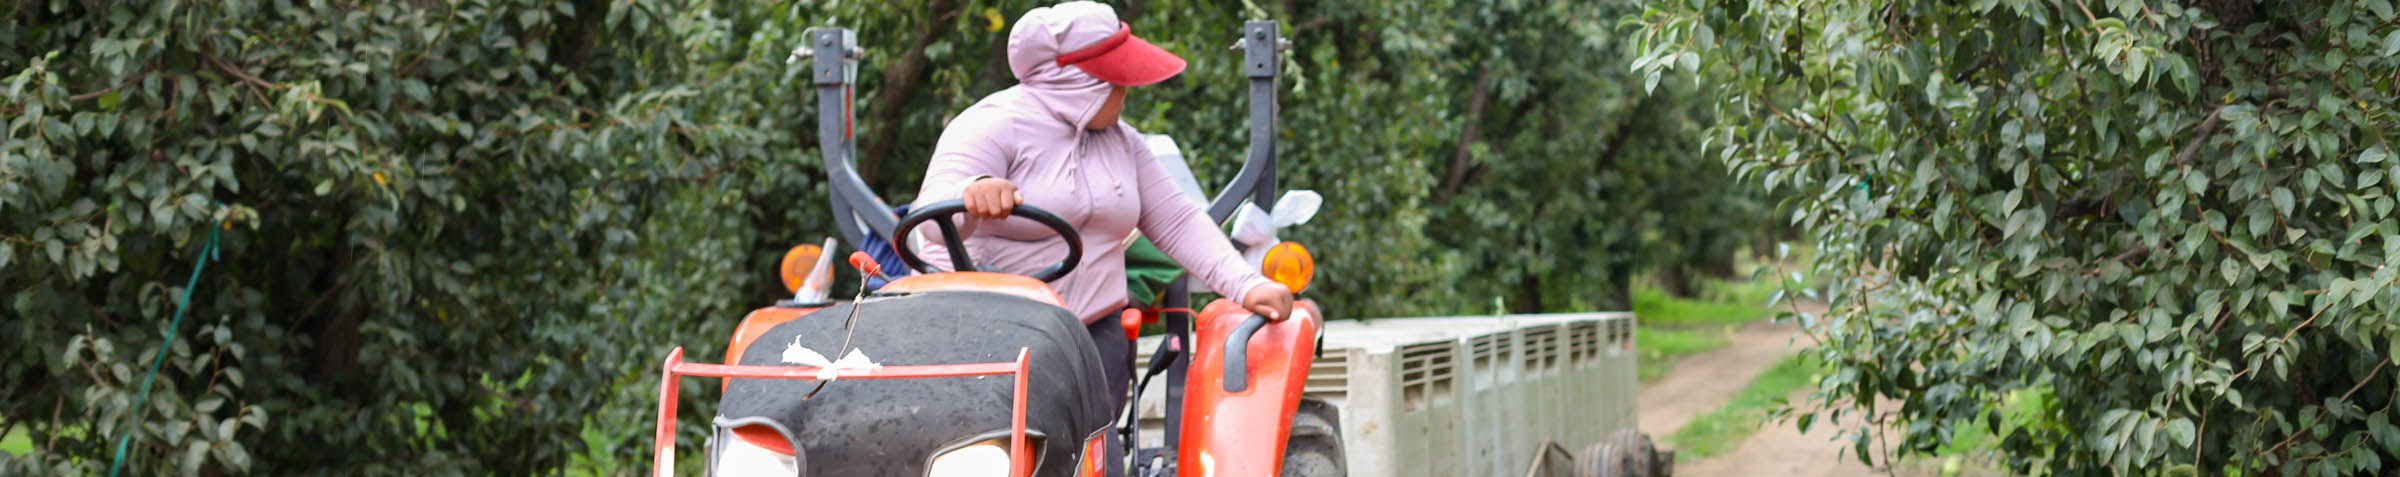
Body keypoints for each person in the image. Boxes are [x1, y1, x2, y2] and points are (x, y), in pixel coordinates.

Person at [908, 1, 1294, 408]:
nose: (1125, 91)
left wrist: (1247, 284)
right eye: (1117, 80)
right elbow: (929, 223)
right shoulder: (989, 125)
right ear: (1080, 82)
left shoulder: (1124, 142)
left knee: (1094, 464)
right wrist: (972, 192)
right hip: (984, 338)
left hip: (1092, 337)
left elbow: (1179, 222)